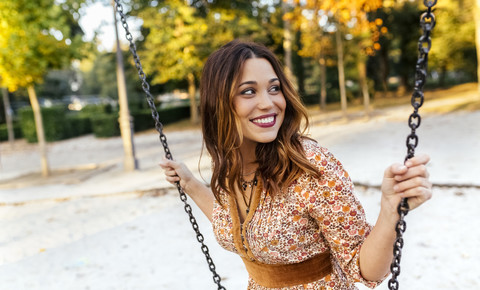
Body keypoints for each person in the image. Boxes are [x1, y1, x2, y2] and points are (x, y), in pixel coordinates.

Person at [159, 40, 432, 289]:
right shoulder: (233, 167)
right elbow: (230, 220)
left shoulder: (309, 165)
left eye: (274, 88)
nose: (268, 103)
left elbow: (365, 270)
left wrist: (389, 213)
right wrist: (189, 183)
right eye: (248, 91)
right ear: (218, 103)